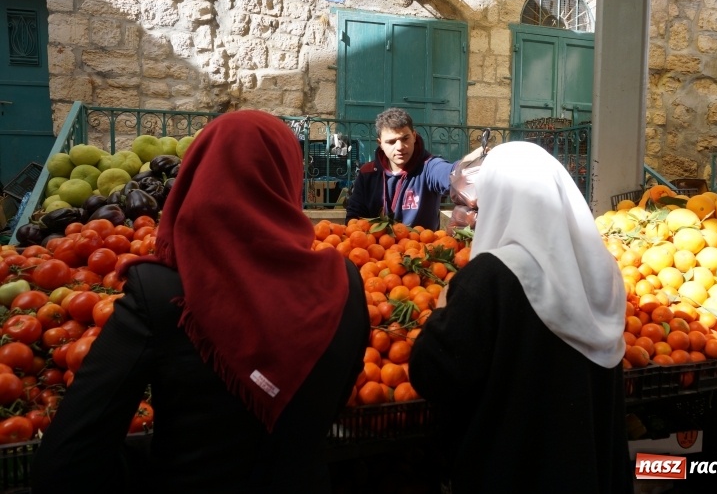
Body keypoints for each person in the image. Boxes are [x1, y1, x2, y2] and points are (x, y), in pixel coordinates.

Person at [31, 110, 371, 493]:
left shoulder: (159, 291)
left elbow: (66, 462)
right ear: (288, 179)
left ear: (197, 177)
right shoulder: (346, 283)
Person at [408, 141, 633, 493]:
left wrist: (442, 310)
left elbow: (433, 375)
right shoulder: (603, 271)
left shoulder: (490, 277)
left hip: (512, 470)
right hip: (586, 468)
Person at [345, 107, 485, 229]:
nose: (399, 147)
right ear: (380, 143)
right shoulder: (367, 173)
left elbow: (453, 173)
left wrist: (473, 161)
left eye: (405, 139)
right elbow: (353, 217)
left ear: (413, 136)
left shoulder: (429, 167)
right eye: (391, 142)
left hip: (419, 253)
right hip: (376, 254)